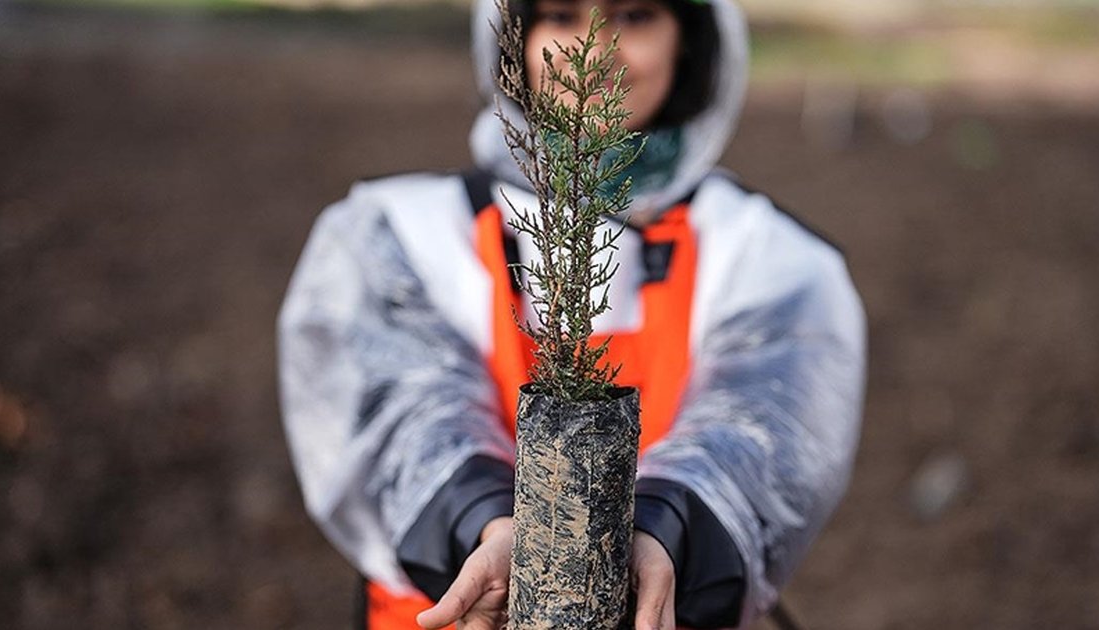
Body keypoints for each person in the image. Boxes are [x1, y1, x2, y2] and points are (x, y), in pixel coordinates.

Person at [277, 1, 866, 628]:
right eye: (558, 14)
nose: (594, 48)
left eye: (635, 16)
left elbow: (761, 436)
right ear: (514, 38)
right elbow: (400, 426)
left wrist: (667, 534)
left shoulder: (768, 257)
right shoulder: (401, 235)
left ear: (690, 42)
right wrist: (490, 526)